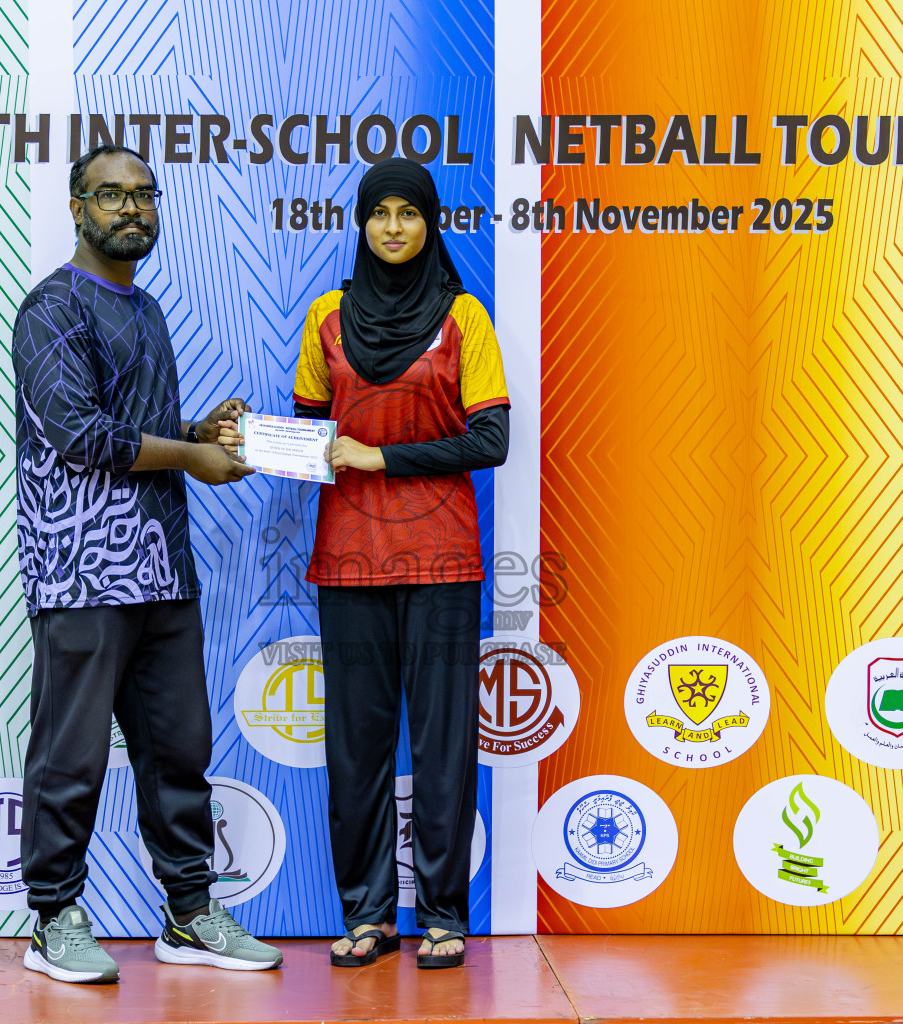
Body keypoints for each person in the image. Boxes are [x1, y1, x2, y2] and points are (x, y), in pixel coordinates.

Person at [12, 143, 281, 983]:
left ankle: (190, 914)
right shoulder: (52, 308)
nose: (130, 209)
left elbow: (140, 429)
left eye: (143, 195)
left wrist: (196, 433)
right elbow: (81, 436)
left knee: (179, 750)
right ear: (77, 207)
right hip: (81, 569)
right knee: (72, 754)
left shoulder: (150, 309)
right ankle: (54, 918)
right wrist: (190, 459)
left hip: (163, 566)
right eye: (110, 195)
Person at [286, 157, 509, 969]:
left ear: (429, 223)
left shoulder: (463, 320)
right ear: (361, 223)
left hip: (442, 559)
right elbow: (315, 438)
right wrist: (252, 442)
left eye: (407, 213)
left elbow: (493, 440)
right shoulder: (328, 319)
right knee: (356, 745)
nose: (392, 227)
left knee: (443, 744)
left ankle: (444, 915)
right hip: (347, 560)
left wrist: (382, 457)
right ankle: (368, 915)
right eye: (378, 212)